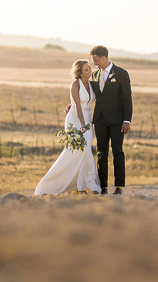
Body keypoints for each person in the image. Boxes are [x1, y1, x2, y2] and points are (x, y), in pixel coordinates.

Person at [34, 60, 101, 195]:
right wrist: (82, 124)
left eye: (89, 68)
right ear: (80, 72)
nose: (90, 71)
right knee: (75, 151)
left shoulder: (92, 83)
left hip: (88, 118)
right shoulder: (75, 85)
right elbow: (76, 106)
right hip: (75, 120)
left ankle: (83, 186)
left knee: (86, 150)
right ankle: (50, 186)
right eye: (86, 69)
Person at [89, 45, 133, 195]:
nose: (94, 64)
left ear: (103, 58)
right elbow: (87, 95)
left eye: (96, 61)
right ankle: (103, 187)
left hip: (117, 120)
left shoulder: (121, 74)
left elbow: (127, 99)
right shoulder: (94, 76)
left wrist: (127, 120)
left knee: (117, 151)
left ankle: (119, 186)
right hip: (100, 119)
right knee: (101, 152)